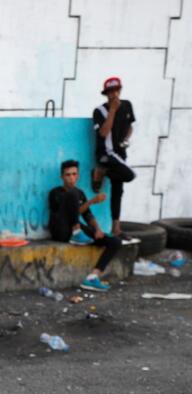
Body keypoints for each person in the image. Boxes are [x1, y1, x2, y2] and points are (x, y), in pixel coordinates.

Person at [48, 159, 119, 292]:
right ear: (62, 177)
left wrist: (98, 229)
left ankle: (92, 277)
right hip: (60, 230)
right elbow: (69, 214)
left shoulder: (79, 193)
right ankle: (76, 233)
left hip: (78, 228)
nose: (71, 178)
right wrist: (92, 201)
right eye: (68, 175)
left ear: (78, 176)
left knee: (114, 242)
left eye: (74, 174)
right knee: (73, 193)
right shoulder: (55, 193)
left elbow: (87, 215)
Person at [91, 76, 136, 237]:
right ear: (106, 94)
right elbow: (103, 133)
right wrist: (112, 110)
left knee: (118, 189)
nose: (114, 94)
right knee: (130, 175)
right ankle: (101, 172)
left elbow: (130, 126)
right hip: (106, 154)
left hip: (120, 153)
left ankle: (116, 227)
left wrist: (125, 140)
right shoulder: (99, 111)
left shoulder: (127, 105)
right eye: (110, 92)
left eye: (116, 90)